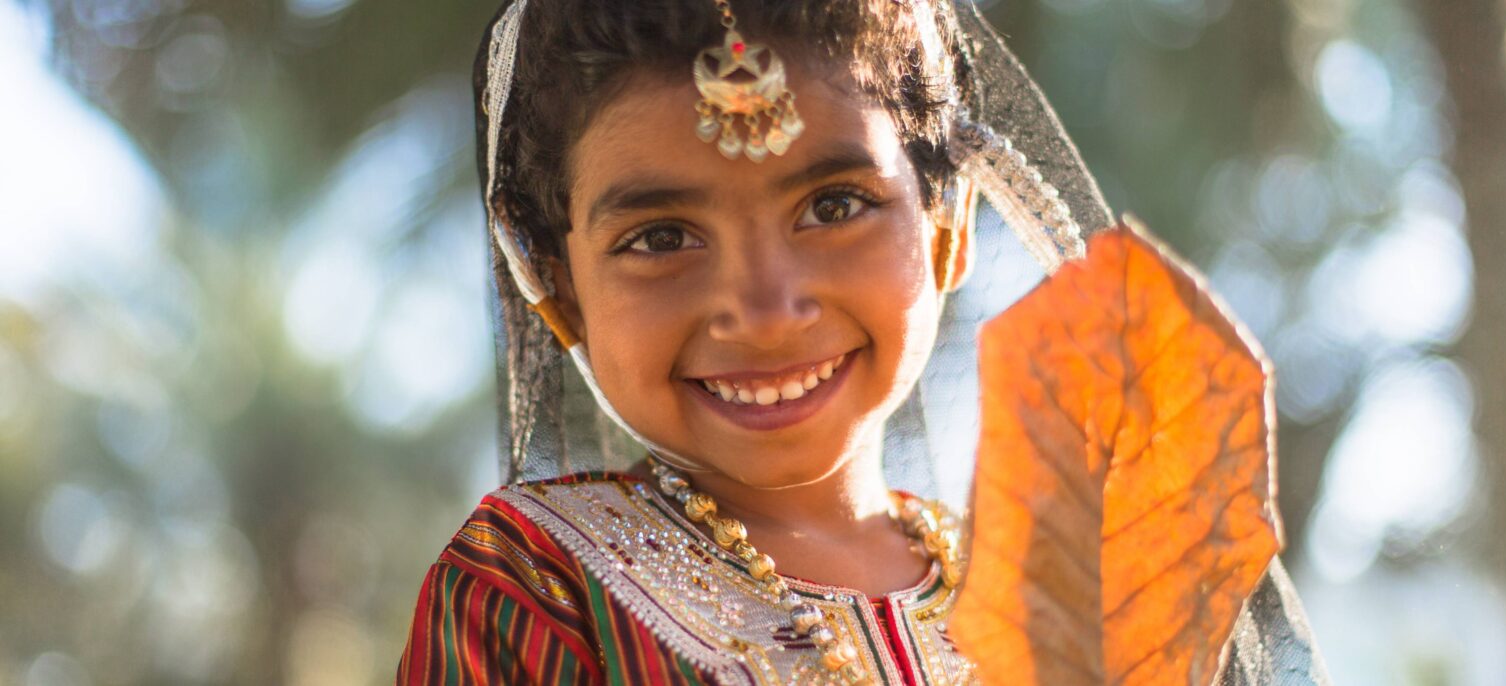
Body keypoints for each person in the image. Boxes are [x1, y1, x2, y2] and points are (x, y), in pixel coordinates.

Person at [398, 1, 1330, 683]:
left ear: (947, 226)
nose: (764, 309)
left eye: (834, 206)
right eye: (660, 238)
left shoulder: (1050, 596)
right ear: (556, 288)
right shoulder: (536, 583)